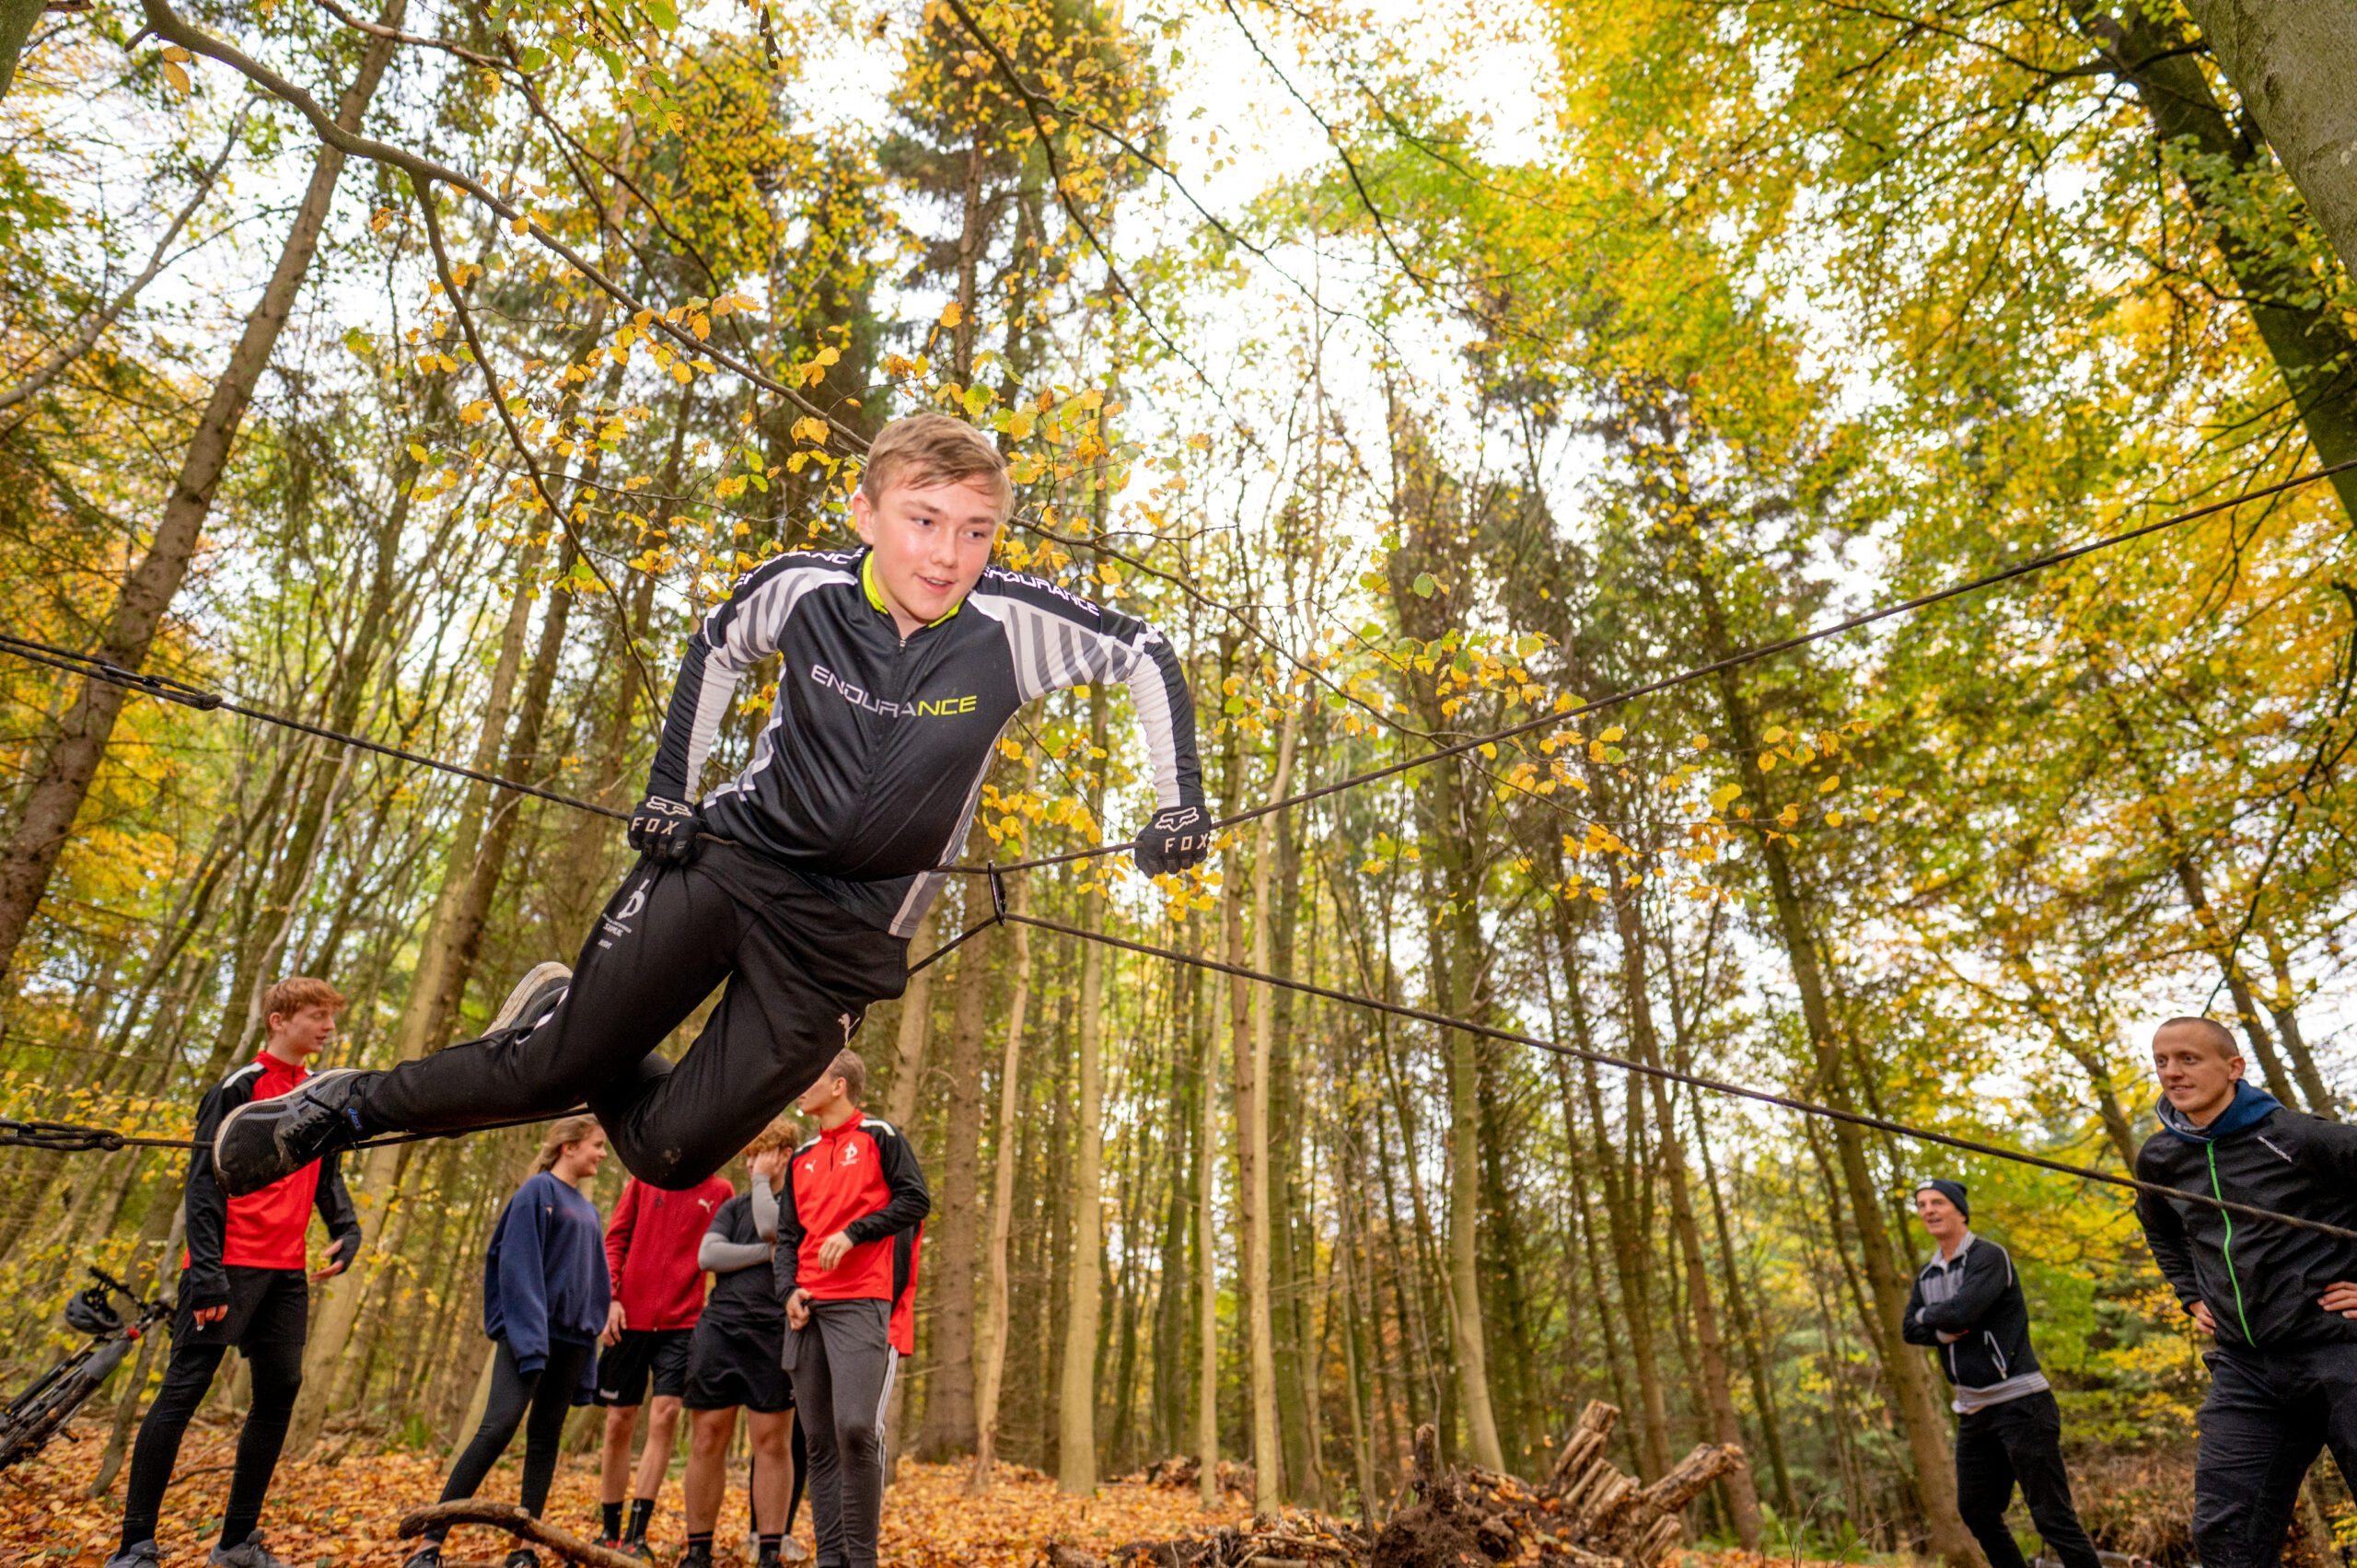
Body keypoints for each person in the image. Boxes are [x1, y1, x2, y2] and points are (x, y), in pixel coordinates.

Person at [215, 412, 1210, 1200]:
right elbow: (716, 646)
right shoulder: (803, 588)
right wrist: (669, 794)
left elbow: (1145, 653)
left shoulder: (1013, 627)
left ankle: (571, 1020)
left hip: (843, 936)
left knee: (670, 1155)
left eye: (975, 530)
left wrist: (1179, 805)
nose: (949, 554)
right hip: (730, 862)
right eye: (924, 519)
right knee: (546, 1074)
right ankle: (340, 1108)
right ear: (866, 512)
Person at [108, 978, 362, 1568]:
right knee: (184, 1390)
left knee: (280, 1392)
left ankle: (237, 1544)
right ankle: (134, 1546)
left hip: (286, 1272)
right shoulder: (237, 1089)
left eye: (331, 1017)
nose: (328, 1027)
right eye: (317, 1015)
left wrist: (346, 1229)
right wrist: (207, 1273)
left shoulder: (319, 1092)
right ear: (279, 1020)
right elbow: (202, 1185)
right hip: (227, 1266)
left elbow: (325, 1173)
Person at [2133, 1016, 2357, 1568]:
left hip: (2340, 1350)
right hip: (2246, 1369)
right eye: (2162, 1061)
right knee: (2225, 1538)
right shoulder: (2161, 1159)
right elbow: (2161, 1231)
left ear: (2234, 1067)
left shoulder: (2302, 1139)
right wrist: (2190, 1294)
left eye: (2188, 1059)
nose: (2172, 1072)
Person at [402, 1116, 612, 1568]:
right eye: (597, 1145)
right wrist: (530, 1338)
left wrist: (589, 1344)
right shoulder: (537, 1192)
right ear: (568, 1146)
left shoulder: (590, 1210)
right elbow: (516, 1266)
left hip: (573, 1342)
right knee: (497, 1428)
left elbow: (596, 1282)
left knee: (545, 1439)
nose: (602, 1154)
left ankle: (525, 1550)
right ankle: (428, 1546)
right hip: (530, 1336)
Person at [775, 1049, 926, 1568]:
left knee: (857, 1429)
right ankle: (830, 1560)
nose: (801, 1083)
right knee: (818, 1442)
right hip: (807, 1309)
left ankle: (862, 1560)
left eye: (812, 1074)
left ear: (839, 1085)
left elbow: (915, 1199)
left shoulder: (881, 1137)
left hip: (862, 1301)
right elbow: (788, 1238)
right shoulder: (801, 1158)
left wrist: (856, 1232)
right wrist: (787, 1292)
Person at [1900, 1178, 2099, 1568]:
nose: (1928, 1210)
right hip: (1973, 1410)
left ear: (1960, 1211)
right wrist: (1940, 1326)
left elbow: (1963, 1311)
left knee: (2052, 1517)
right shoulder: (1927, 1275)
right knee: (1976, 1510)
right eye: (1922, 1204)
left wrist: (1932, 1316)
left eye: (1937, 1202)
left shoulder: (1989, 1257)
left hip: (2021, 1403)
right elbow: (1910, 1329)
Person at [679, 1118, 807, 1568]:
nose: (750, 1164)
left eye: (759, 1156)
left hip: (774, 1332)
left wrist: (761, 1184)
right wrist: (760, 1255)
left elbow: (772, 1227)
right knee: (707, 1437)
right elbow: (708, 1255)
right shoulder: (732, 1209)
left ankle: (769, 1551)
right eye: (748, 1157)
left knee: (771, 1441)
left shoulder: (798, 1203)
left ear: (785, 1155)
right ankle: (698, 1550)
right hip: (721, 1329)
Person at [598, 1169, 735, 1559]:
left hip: (683, 1323)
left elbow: (724, 1254)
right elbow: (616, 1240)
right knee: (618, 1421)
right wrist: (610, 1297)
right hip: (627, 1317)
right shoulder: (645, 1179)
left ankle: (636, 1535)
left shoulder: (721, 1190)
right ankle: (608, 1532)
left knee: (666, 1414)